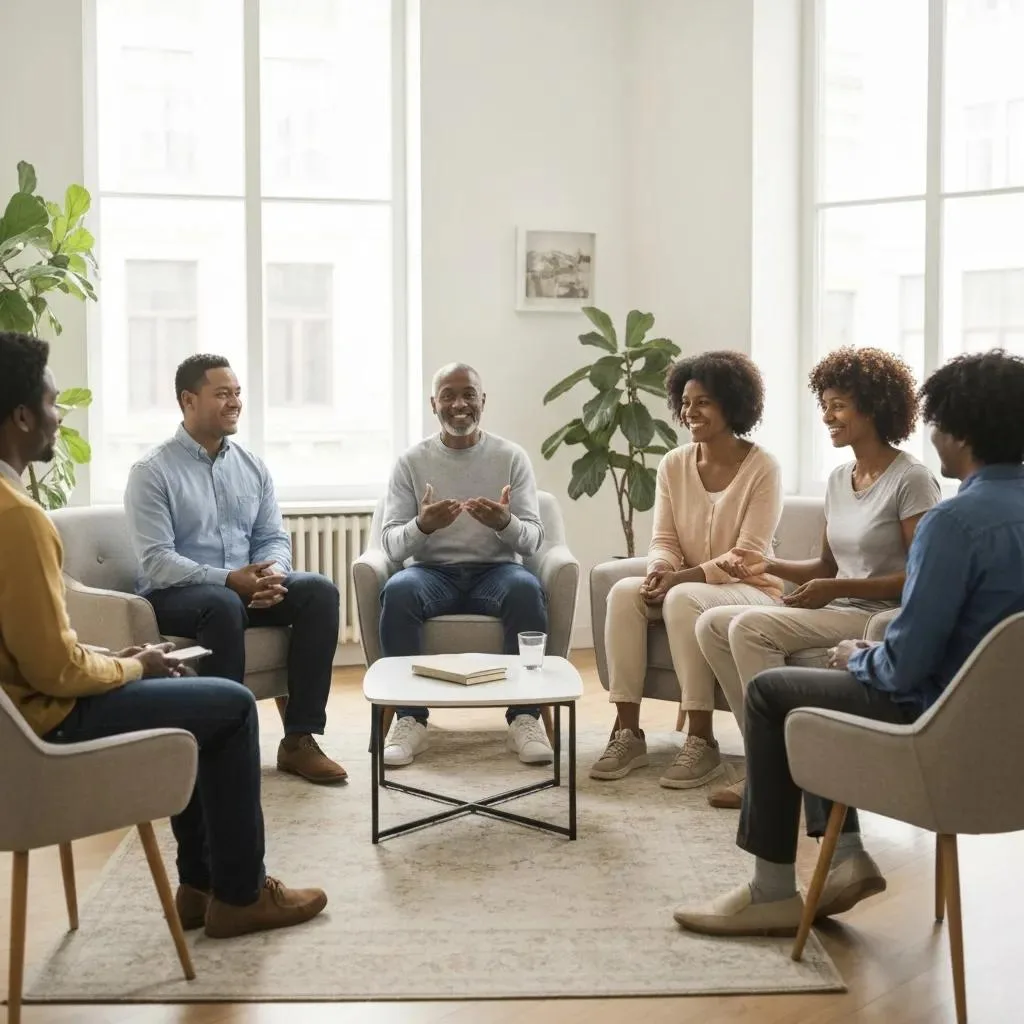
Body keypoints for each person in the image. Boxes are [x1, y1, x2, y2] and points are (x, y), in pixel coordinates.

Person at [673, 349, 1024, 937]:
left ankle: (776, 888)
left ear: (961, 430)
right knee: (780, 666)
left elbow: (904, 664)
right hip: (1002, 741)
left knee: (772, 694)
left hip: (934, 724)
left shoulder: (954, 522)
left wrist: (859, 656)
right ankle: (843, 856)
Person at [0, 331, 326, 938]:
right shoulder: (20, 519)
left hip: (26, 711)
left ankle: (202, 885)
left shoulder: (250, 466)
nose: (59, 413)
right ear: (20, 416)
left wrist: (106, 654)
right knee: (228, 708)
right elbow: (53, 673)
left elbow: (34, 648)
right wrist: (133, 666)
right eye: (50, 403)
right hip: (41, 725)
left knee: (305, 602)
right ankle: (240, 893)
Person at [695, 347, 939, 809]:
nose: (827, 415)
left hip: (879, 617)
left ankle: (777, 774)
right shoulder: (838, 477)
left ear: (874, 407)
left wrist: (838, 589)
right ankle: (774, 760)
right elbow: (825, 568)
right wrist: (765, 566)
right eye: (824, 404)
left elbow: (918, 577)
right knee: (711, 624)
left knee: (747, 625)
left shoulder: (912, 480)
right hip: (839, 607)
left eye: (839, 405)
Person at [123, 354, 346, 785]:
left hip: (242, 586)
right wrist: (229, 579)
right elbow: (156, 560)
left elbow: (272, 537)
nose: (235, 402)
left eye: (237, 392)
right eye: (222, 393)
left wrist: (273, 574)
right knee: (222, 603)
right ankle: (223, 745)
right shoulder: (151, 472)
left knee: (319, 590)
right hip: (175, 595)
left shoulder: (251, 467)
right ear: (188, 400)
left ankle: (299, 739)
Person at [590, 351, 784, 788]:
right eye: (686, 401)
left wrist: (680, 580)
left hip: (750, 589)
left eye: (704, 403)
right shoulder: (674, 464)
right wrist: (661, 569)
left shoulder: (763, 468)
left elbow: (748, 555)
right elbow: (666, 540)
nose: (689, 412)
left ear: (733, 405)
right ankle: (627, 732)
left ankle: (701, 741)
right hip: (691, 585)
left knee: (682, 597)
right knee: (625, 592)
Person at [378, 362, 552, 767]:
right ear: (433, 404)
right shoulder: (410, 462)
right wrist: (422, 525)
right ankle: (410, 720)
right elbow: (390, 546)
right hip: (431, 572)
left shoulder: (511, 457)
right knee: (399, 590)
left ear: (483, 400)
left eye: (469, 394)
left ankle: (525, 718)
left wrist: (504, 523)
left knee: (526, 589)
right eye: (449, 395)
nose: (459, 404)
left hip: (496, 571)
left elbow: (534, 540)